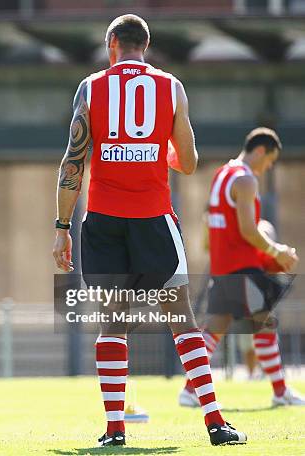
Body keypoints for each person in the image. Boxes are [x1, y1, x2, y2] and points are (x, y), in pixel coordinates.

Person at [53, 14, 246, 447]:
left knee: (112, 325)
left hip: (103, 220)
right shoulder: (171, 87)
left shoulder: (89, 88)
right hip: (154, 218)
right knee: (183, 321)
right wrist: (156, 152)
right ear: (147, 45)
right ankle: (216, 423)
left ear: (111, 45)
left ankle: (115, 430)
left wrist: (62, 227)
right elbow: (190, 161)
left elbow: (73, 162)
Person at [178, 127, 303, 408]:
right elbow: (248, 229)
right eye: (270, 160)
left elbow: (209, 222)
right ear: (260, 150)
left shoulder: (222, 174)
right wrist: (277, 251)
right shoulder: (246, 180)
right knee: (265, 324)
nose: (267, 166)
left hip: (223, 265)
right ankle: (281, 391)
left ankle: (189, 389)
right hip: (242, 265)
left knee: (215, 329)